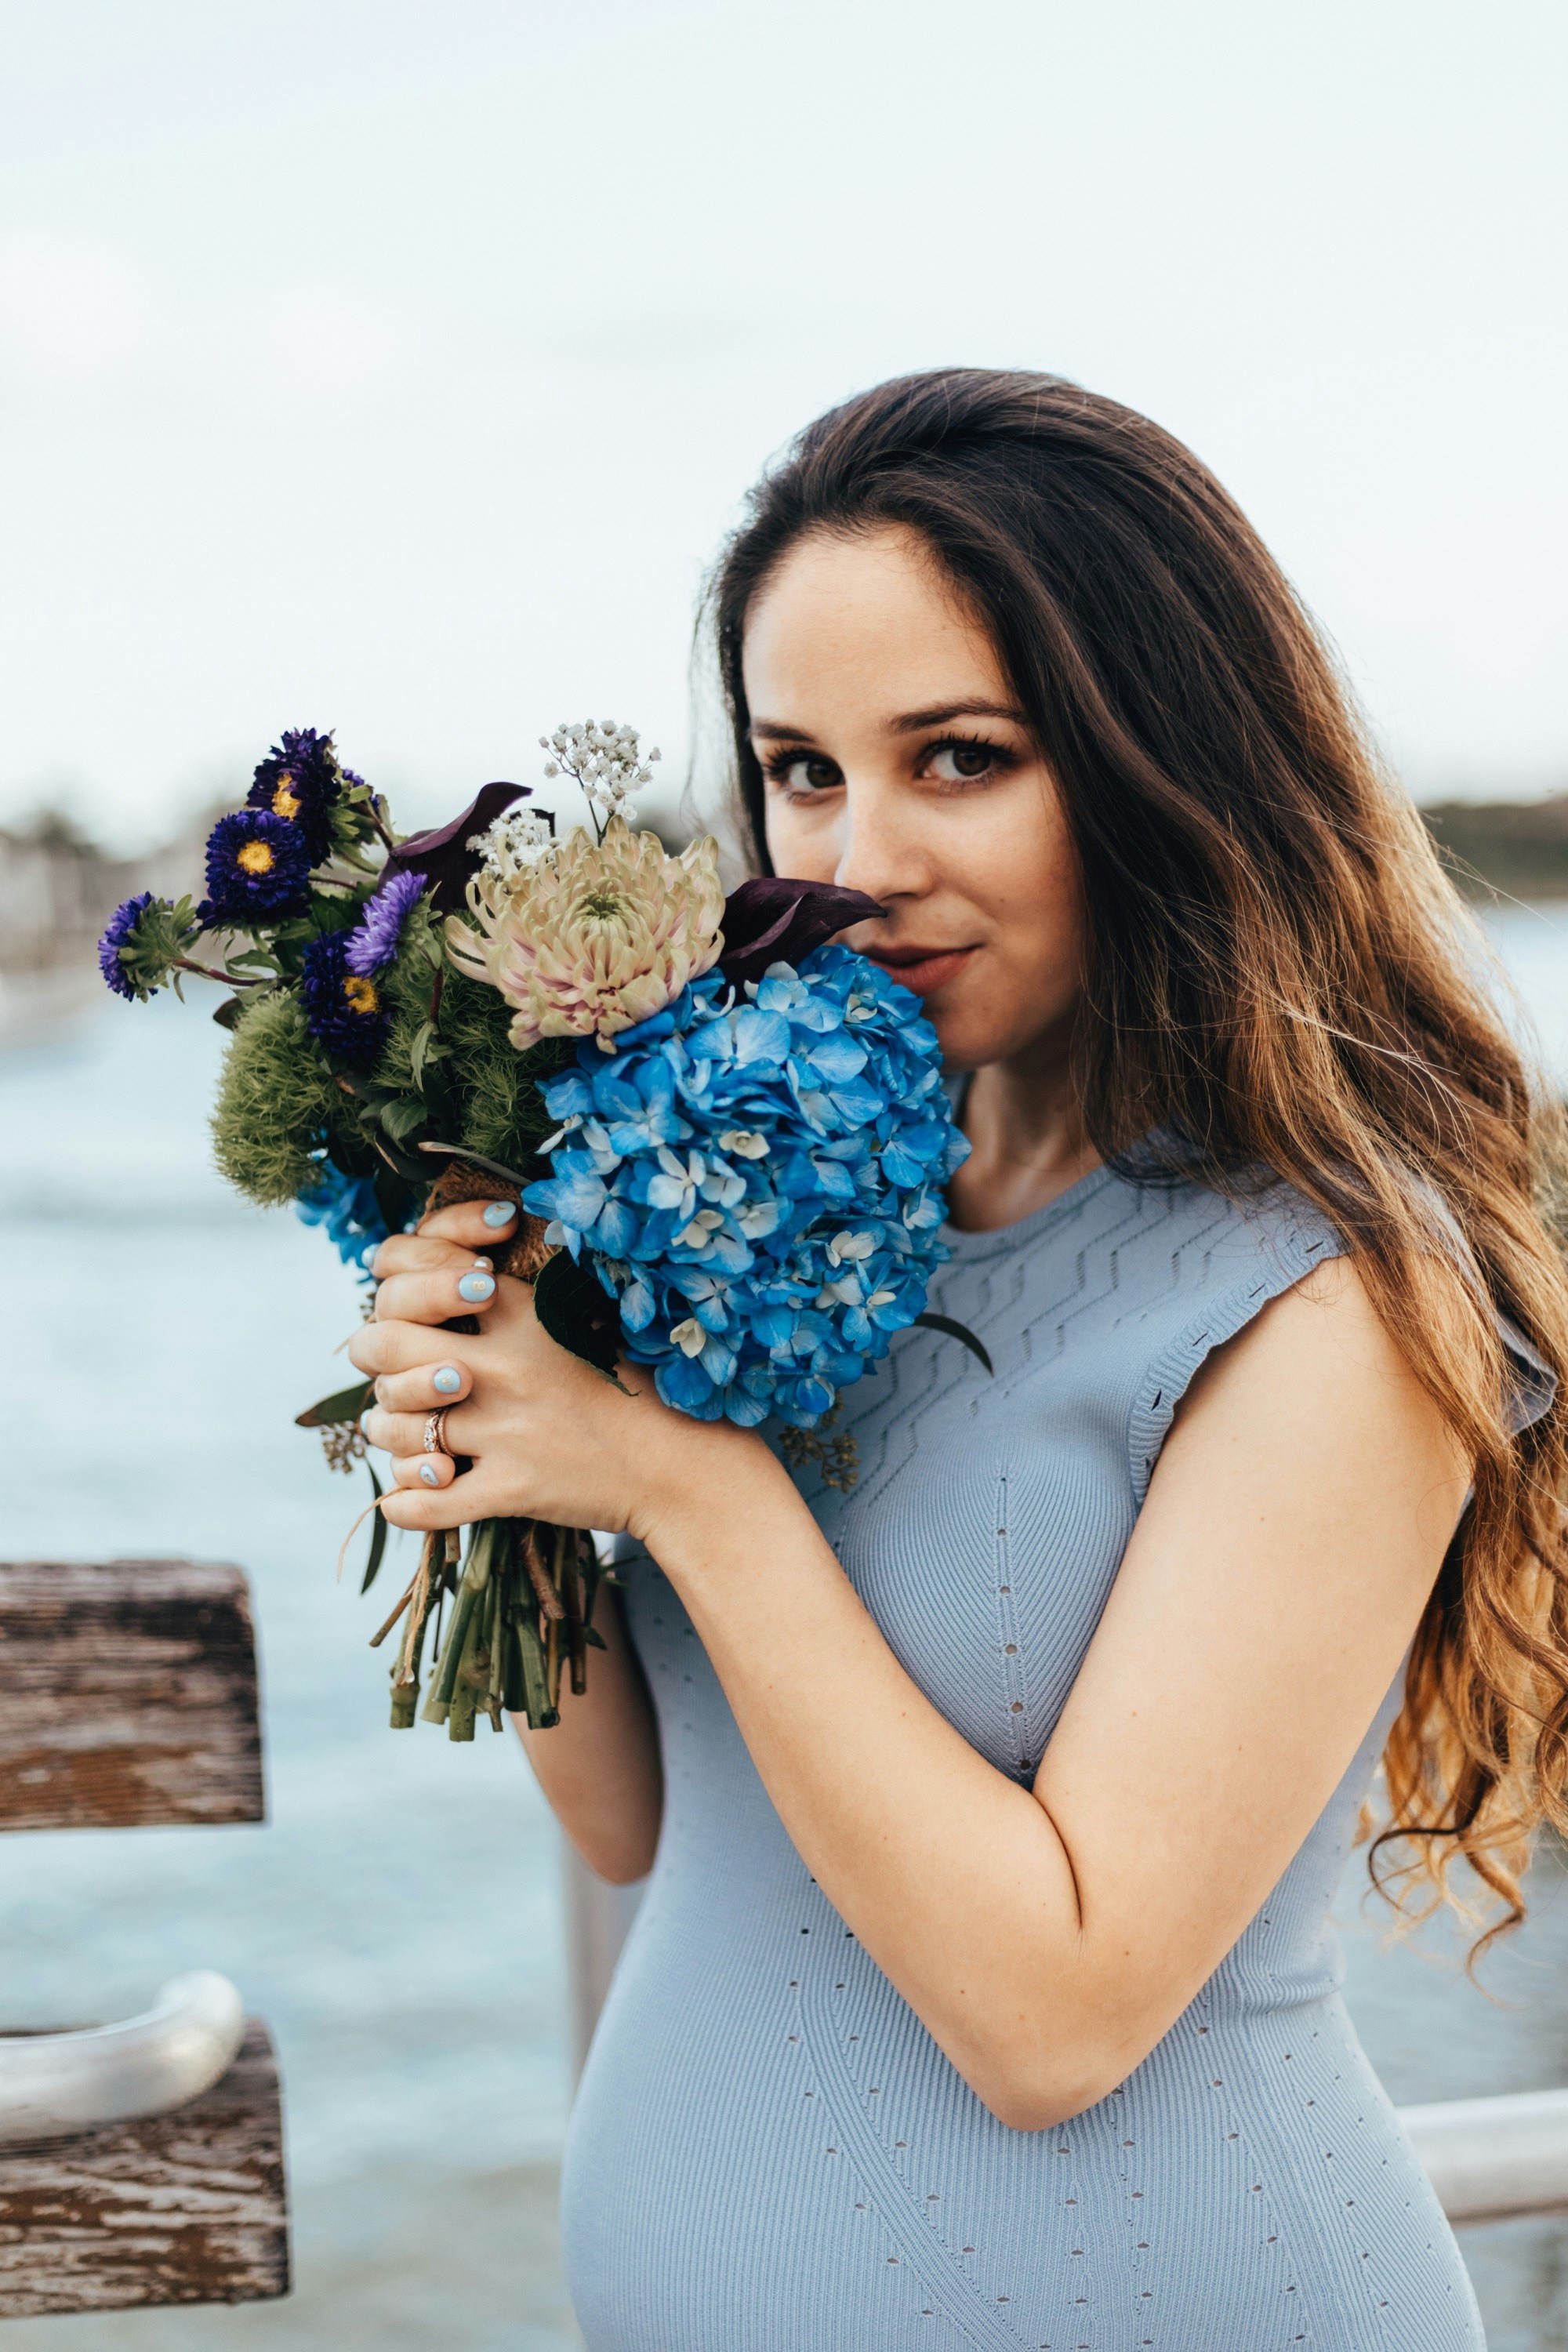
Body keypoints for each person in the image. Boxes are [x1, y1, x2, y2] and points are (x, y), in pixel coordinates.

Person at [350, 370, 1568, 2350]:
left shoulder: (1334, 1297)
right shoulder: (760, 1214)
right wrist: (487, 1445)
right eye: (801, 769)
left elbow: (1053, 2019)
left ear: (1158, 759)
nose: (859, 856)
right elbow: (640, 1826)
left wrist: (678, 1480)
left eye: (961, 757)